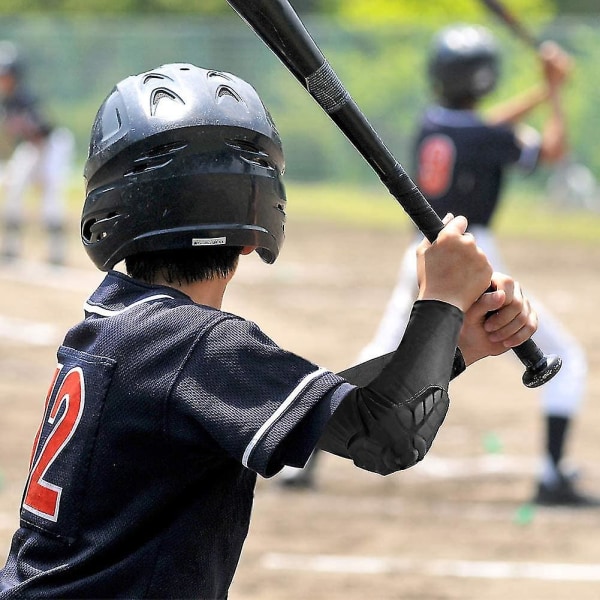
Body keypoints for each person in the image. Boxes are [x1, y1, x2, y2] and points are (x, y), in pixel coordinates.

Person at [0, 63, 537, 599]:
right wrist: (439, 299)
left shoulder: (117, 326)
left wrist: (456, 344)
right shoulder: (195, 345)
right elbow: (387, 437)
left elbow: (345, 414)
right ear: (255, 228)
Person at [279, 24, 596, 507]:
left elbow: (489, 127)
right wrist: (552, 90)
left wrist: (542, 89)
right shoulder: (486, 135)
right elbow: (550, 150)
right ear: (485, 77)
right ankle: (552, 475)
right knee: (565, 358)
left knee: (383, 351)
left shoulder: (435, 124)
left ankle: (303, 457)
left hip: (424, 251)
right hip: (471, 253)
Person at [0, 40, 74, 265]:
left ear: (15, 75)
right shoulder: (6, 103)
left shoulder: (25, 98)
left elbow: (42, 130)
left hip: (52, 145)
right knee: (15, 187)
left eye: (5, 75)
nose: (3, 80)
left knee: (51, 193)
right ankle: (11, 247)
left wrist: (40, 168)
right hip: (33, 148)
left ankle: (56, 252)